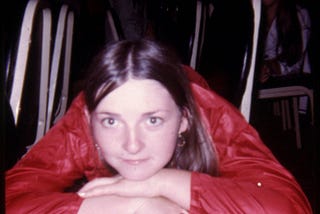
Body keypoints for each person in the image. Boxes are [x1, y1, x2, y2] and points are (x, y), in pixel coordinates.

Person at [6, 40, 312, 213]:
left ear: (183, 121)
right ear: (90, 121)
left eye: (153, 120)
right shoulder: (86, 119)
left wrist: (161, 184)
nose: (132, 145)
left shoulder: (209, 115)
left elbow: (288, 207)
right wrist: (113, 207)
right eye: (112, 122)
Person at [259, 0, 312, 85]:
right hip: (261, 91)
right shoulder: (250, 17)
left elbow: (293, 65)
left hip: (290, 89)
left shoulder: (298, 15)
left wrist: (268, 67)